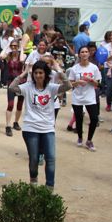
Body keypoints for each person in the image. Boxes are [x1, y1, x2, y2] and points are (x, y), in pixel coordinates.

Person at [9, 59, 69, 188]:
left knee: (51, 158)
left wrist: (59, 70)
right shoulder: (27, 87)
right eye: (35, 73)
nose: (38, 75)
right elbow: (12, 87)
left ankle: (49, 187)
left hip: (48, 128)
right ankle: (33, 182)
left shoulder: (51, 88)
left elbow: (68, 86)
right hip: (30, 128)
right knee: (34, 159)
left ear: (46, 74)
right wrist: (24, 73)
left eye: (41, 73)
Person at [68, 46, 101, 151]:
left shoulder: (94, 68)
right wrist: (78, 82)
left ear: (89, 54)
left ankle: (89, 140)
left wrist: (91, 80)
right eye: (82, 52)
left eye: (86, 52)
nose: (84, 54)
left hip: (90, 97)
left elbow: (98, 84)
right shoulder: (75, 68)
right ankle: (80, 137)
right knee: (79, 118)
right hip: (77, 97)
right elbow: (70, 84)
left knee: (94, 118)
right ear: (79, 54)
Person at [1, 39, 26, 136]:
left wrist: (21, 48)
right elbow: (1, 56)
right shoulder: (9, 56)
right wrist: (7, 45)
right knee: (10, 104)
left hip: (21, 82)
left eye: (15, 46)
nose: (14, 48)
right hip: (11, 83)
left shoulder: (21, 55)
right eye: (12, 46)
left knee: (19, 104)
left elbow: (22, 60)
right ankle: (8, 126)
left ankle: (16, 122)